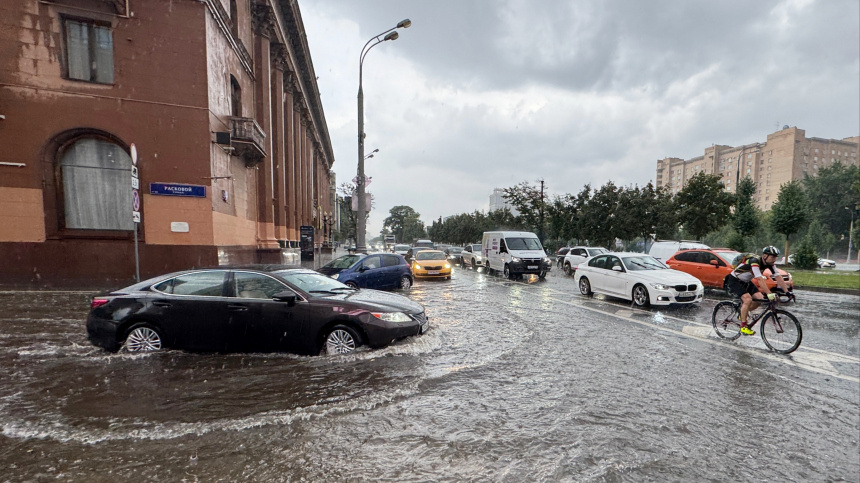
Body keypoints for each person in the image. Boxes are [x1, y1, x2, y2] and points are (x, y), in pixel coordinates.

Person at [726, 246, 792, 335]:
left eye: (775, 257)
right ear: (765, 256)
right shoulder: (754, 261)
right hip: (734, 280)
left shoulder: (770, 264)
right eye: (772, 257)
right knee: (747, 299)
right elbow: (759, 279)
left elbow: (778, 277)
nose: (774, 259)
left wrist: (787, 291)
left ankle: (742, 313)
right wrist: (769, 293)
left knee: (759, 299)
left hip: (746, 281)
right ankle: (743, 327)